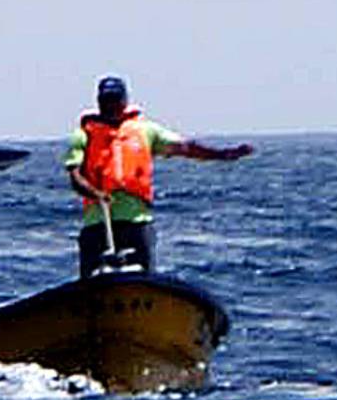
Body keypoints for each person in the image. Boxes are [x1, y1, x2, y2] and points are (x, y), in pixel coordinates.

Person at [64, 76, 253, 279]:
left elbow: (185, 148)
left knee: (142, 276)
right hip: (98, 222)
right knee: (92, 276)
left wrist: (222, 154)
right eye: (106, 100)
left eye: (115, 99)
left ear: (124, 101)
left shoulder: (145, 130)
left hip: (136, 221)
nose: (111, 105)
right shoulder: (84, 134)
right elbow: (75, 177)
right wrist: (96, 194)